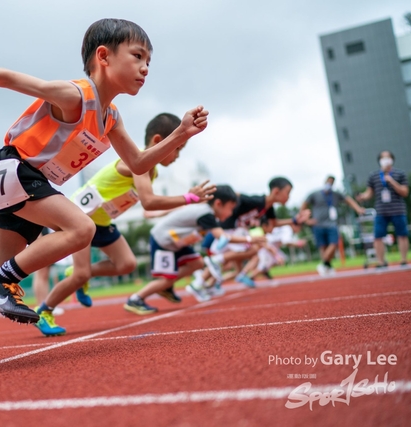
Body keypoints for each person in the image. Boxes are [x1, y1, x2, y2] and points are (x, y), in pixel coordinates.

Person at [0, 18, 209, 369]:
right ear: (104, 56)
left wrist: (181, 133)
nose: (145, 68)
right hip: (15, 169)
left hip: (30, 184)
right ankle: (0, 284)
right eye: (138, 56)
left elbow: (138, 163)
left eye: (149, 62)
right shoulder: (77, 95)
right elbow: (8, 77)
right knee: (81, 229)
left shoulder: (111, 118)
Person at [34, 113, 215, 336]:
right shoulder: (138, 160)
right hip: (80, 217)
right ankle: (44, 311)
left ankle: (83, 273)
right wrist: (188, 198)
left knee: (126, 264)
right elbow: (148, 202)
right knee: (80, 275)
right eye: (178, 147)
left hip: (102, 221)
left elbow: (147, 202)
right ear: (158, 141)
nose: (178, 155)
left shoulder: (152, 168)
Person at [124, 185, 241, 314]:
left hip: (176, 241)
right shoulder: (206, 214)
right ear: (218, 204)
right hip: (162, 239)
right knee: (166, 278)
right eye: (231, 209)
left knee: (197, 263)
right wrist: (251, 240)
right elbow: (222, 237)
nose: (231, 214)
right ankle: (135, 299)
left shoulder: (205, 211)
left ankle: (165, 287)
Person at [192, 177, 310, 290]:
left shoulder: (268, 208)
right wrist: (212, 196)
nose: (288, 197)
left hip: (235, 232)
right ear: (276, 191)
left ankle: (199, 284)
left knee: (229, 261)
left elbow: (274, 223)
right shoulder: (257, 201)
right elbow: (236, 195)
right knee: (253, 249)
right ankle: (217, 267)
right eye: (287, 192)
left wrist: (294, 220)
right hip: (227, 229)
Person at [301, 175, 364, 276]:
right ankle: (328, 266)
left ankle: (324, 264)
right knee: (323, 247)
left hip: (331, 224)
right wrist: (306, 220)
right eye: (328, 182)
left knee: (334, 244)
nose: (329, 184)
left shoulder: (335, 194)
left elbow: (348, 200)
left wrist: (358, 209)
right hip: (318, 224)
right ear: (324, 181)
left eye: (331, 182)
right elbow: (304, 204)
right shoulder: (315, 194)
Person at [357, 150, 409, 268]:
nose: (385, 160)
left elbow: (405, 192)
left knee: (402, 234)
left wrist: (391, 181)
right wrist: (362, 197)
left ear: (392, 159)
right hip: (381, 211)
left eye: (388, 157)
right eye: (383, 158)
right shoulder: (374, 175)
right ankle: (381, 261)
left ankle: (404, 260)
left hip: (398, 210)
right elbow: (369, 193)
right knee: (378, 236)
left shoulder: (400, 174)